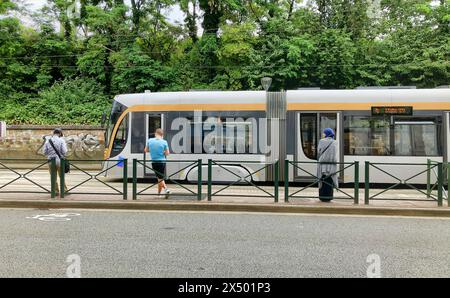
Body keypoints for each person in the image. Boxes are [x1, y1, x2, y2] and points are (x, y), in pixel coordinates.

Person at [144, 128, 170, 195]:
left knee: (159, 178)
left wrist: (153, 151)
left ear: (155, 133)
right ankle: (161, 192)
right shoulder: (164, 142)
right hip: (162, 162)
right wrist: (162, 152)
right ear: (162, 135)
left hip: (154, 162)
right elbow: (167, 153)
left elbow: (146, 150)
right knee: (160, 178)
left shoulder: (150, 140)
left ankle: (164, 190)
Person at [43, 128, 68, 197]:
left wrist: (51, 154)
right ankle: (64, 190)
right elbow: (65, 152)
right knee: (61, 176)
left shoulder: (48, 141)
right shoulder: (61, 140)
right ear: (60, 133)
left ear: (53, 133)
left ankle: (55, 191)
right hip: (60, 161)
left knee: (53, 177)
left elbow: (44, 152)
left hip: (51, 161)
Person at [317, 128, 338, 202]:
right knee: (330, 180)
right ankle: (329, 197)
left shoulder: (321, 141)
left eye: (324, 133)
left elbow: (319, 151)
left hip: (322, 165)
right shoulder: (335, 142)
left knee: (322, 180)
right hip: (332, 166)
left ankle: (322, 197)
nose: (323, 134)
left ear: (326, 133)